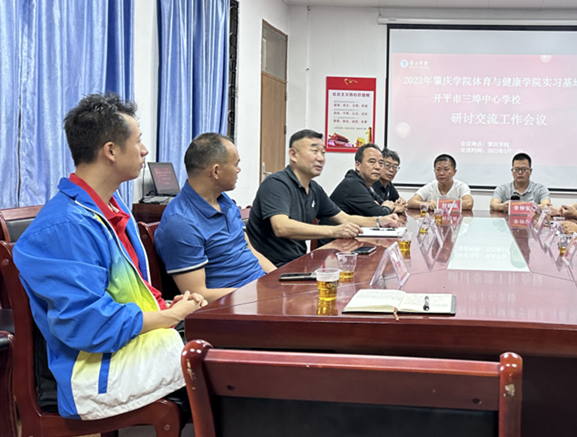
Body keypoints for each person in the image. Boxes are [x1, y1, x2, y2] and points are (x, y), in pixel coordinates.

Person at [13, 93, 205, 420]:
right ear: (111, 151)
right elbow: (87, 324)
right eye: (138, 140)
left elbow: (128, 294)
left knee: (230, 345)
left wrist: (164, 307)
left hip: (130, 347)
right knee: (224, 365)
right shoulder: (65, 226)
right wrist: (169, 317)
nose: (145, 150)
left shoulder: (111, 210)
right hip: (95, 371)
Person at [247, 130, 399, 267]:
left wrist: (380, 221)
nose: (320, 158)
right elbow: (281, 227)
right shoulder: (276, 184)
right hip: (269, 267)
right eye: (314, 151)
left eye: (323, 153)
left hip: (297, 262)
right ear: (293, 155)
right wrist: (334, 231)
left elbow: (344, 218)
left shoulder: (314, 189)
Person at [155, 133, 275, 303]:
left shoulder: (224, 201)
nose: (239, 169)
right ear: (216, 171)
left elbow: (249, 249)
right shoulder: (180, 223)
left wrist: (278, 280)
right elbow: (197, 295)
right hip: (234, 305)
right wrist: (259, 293)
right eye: (236, 164)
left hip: (258, 292)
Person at [327, 144, 405, 219]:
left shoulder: (365, 184)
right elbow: (379, 215)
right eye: (372, 161)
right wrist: (388, 208)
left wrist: (389, 207)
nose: (378, 167)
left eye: (381, 163)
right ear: (358, 165)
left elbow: (382, 204)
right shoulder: (352, 184)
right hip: (332, 228)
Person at [406, 154, 474, 210]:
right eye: (438, 170)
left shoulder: (461, 186)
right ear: (434, 171)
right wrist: (427, 204)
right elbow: (410, 202)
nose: (441, 173)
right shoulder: (431, 186)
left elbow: (468, 203)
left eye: (446, 169)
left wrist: (439, 204)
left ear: (454, 172)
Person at [372, 148, 407, 212]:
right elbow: (373, 211)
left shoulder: (388, 184)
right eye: (388, 165)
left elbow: (400, 200)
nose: (391, 170)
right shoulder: (371, 183)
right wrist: (395, 210)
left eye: (395, 167)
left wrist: (401, 203)